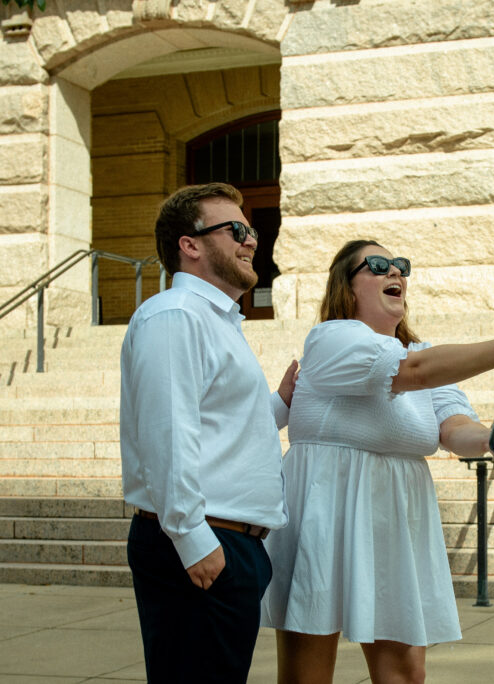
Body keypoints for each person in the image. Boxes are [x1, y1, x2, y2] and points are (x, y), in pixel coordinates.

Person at [261, 239, 494, 684]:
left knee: (405, 673)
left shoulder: (425, 353)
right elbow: (411, 374)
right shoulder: (331, 338)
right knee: (307, 675)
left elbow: (452, 429)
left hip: (394, 514)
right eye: (377, 265)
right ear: (347, 286)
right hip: (325, 507)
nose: (395, 272)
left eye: (401, 266)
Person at [119, 182, 298, 683]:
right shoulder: (176, 316)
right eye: (236, 229)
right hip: (201, 544)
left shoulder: (215, 320)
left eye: (252, 231)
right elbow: (165, 435)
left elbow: (218, 428)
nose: (251, 241)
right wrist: (192, 537)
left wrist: (280, 405)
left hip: (232, 546)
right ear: (190, 244)